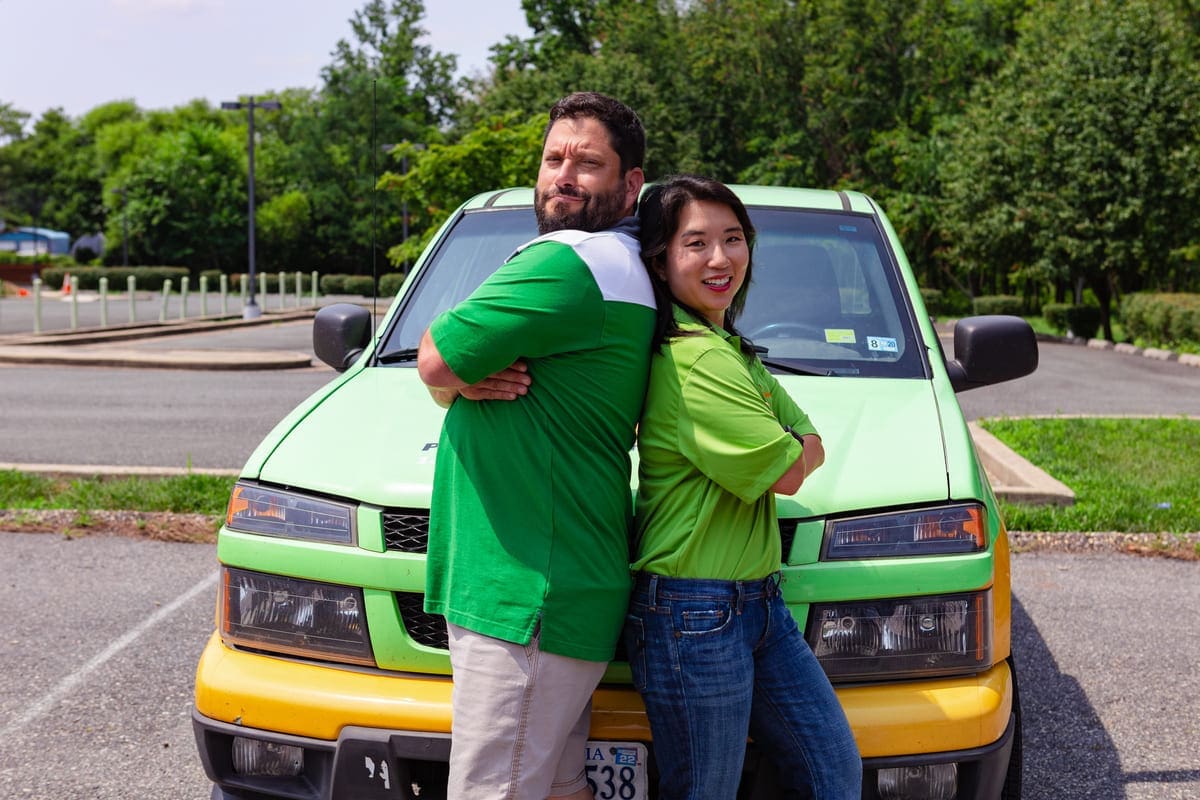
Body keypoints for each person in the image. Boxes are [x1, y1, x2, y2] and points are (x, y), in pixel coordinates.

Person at [416, 92, 655, 800]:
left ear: (631, 185)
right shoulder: (621, 263)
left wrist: (452, 382)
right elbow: (447, 374)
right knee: (556, 788)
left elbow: (434, 361)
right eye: (554, 158)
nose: (563, 175)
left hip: (526, 596)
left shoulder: (569, 262)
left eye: (588, 163)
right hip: (552, 590)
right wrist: (455, 382)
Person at [626, 174, 862, 799]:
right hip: (692, 611)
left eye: (733, 239)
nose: (720, 258)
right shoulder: (694, 360)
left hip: (758, 604)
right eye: (695, 243)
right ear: (660, 258)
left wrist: (794, 441)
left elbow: (807, 437)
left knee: (831, 771)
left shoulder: (729, 347)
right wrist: (792, 441)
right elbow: (792, 466)